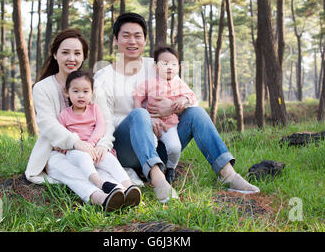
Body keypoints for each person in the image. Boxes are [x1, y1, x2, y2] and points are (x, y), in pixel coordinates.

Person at [93, 12, 259, 203]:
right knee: (139, 114)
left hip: (160, 147)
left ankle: (228, 174)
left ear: (145, 40)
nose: (132, 41)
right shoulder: (103, 78)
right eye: (126, 35)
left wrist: (171, 109)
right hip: (125, 151)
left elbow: (189, 100)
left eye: (138, 36)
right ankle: (158, 181)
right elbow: (101, 124)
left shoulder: (157, 65)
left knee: (196, 113)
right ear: (115, 40)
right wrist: (146, 120)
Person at [25, 28, 140, 212]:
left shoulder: (93, 87)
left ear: (83, 56)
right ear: (55, 54)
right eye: (65, 52)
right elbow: (48, 125)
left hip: (94, 147)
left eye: (77, 53)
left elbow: (106, 122)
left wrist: (102, 145)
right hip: (57, 150)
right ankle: (101, 199)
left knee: (102, 165)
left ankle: (122, 192)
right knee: (68, 170)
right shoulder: (42, 88)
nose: (72, 58)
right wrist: (76, 143)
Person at [58, 70, 141, 207]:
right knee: (84, 158)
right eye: (76, 91)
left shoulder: (94, 109)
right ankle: (101, 184)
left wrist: (91, 144)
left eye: (85, 91)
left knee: (109, 159)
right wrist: (73, 147)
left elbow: (100, 127)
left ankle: (129, 187)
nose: (81, 95)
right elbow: (62, 135)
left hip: (94, 147)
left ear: (92, 93)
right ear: (67, 92)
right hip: (76, 152)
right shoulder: (64, 115)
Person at [133, 45, 197, 184]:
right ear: (156, 67)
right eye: (165, 64)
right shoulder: (150, 83)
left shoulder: (179, 84)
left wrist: (183, 99)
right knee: (151, 145)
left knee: (175, 147)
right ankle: (152, 171)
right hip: (151, 124)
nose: (170, 67)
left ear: (178, 67)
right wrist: (143, 114)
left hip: (169, 126)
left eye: (174, 64)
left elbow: (191, 96)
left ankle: (171, 168)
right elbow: (137, 97)